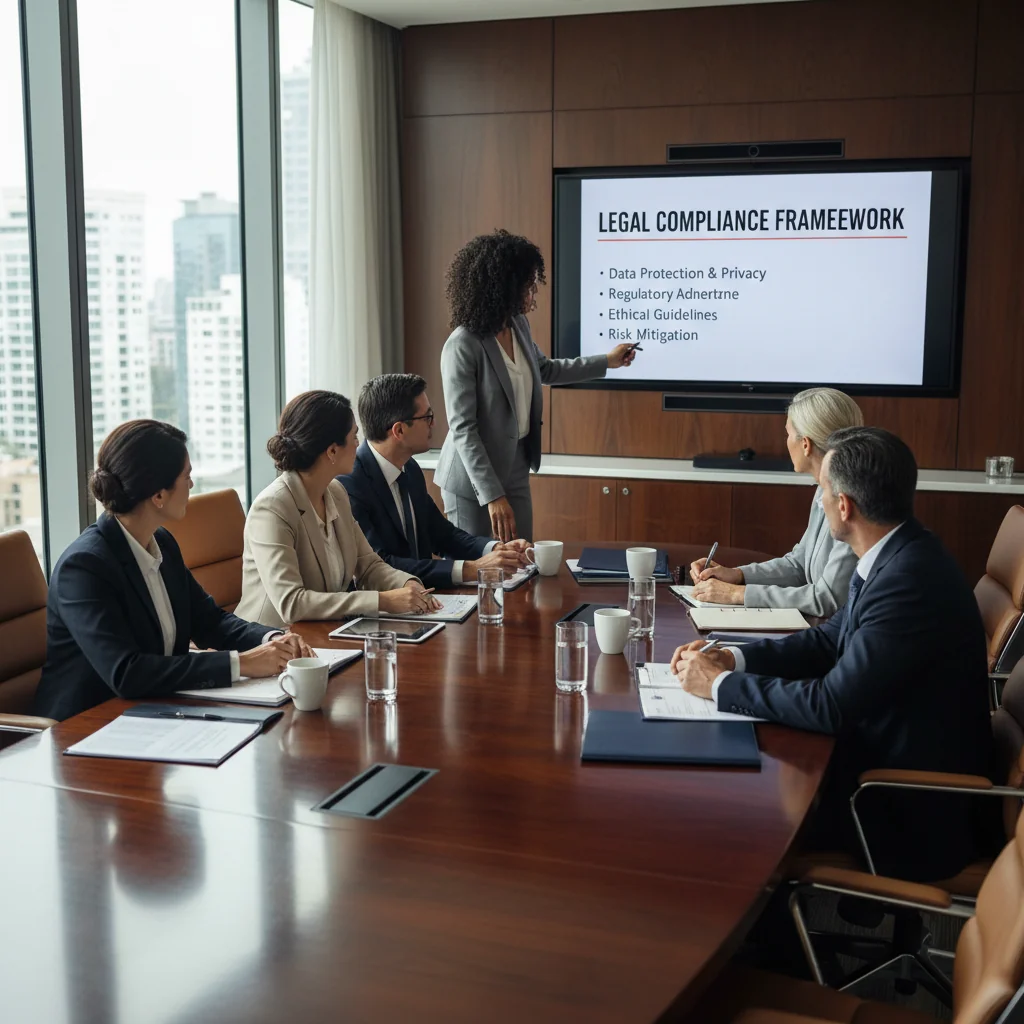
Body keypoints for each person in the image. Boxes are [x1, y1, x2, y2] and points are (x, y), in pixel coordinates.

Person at [671, 427, 993, 882]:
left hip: (902, 806)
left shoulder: (908, 581)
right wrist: (735, 659)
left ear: (844, 505)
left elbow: (831, 706)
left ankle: (776, 946)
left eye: (822, 489)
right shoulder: (897, 552)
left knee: (724, 812)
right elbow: (827, 641)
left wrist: (719, 686)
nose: (818, 501)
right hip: (882, 760)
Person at [33, 420, 309, 722]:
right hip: (86, 728)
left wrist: (271, 640)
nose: (191, 485)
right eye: (186, 476)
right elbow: (126, 672)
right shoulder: (85, 567)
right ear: (158, 495)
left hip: (153, 713)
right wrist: (241, 664)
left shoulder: (160, 541)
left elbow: (209, 621)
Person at [435, 229, 638, 542]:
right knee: (478, 576)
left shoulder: (518, 325)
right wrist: (491, 496)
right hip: (472, 481)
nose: (533, 295)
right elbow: (464, 429)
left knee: (521, 564)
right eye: (528, 286)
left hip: (516, 466)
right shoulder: (463, 345)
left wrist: (607, 361)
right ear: (504, 287)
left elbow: (545, 369)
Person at [235, 390, 439, 630]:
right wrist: (382, 600)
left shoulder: (336, 493)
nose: (358, 444)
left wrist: (408, 584)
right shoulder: (272, 508)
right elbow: (291, 603)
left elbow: (369, 565)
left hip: (325, 634)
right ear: (332, 451)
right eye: (354, 436)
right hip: (271, 641)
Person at [340, 373, 529, 590]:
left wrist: (495, 550)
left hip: (427, 600)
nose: (435, 423)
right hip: (389, 607)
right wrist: (472, 568)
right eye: (427, 417)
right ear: (399, 430)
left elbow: (443, 535)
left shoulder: (409, 468)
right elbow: (381, 565)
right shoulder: (350, 484)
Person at [689, 387, 862, 617]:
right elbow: (798, 565)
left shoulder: (851, 500)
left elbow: (827, 599)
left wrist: (736, 594)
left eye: (788, 434)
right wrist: (737, 575)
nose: (786, 441)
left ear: (806, 444)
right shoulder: (823, 487)